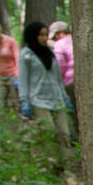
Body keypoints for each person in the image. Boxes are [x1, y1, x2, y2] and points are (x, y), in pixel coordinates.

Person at [18, 21, 73, 169]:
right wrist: (24, 101)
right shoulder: (26, 54)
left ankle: (64, 167)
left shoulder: (51, 53)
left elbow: (58, 78)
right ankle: (48, 165)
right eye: (40, 35)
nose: (44, 38)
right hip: (38, 99)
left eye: (45, 34)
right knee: (48, 132)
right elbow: (23, 79)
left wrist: (65, 98)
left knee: (64, 134)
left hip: (56, 98)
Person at [48, 21, 78, 141]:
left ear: (60, 33)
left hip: (71, 83)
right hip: (88, 80)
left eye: (55, 36)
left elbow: (60, 67)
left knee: (77, 116)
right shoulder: (77, 39)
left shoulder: (59, 45)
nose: (55, 39)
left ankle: (81, 144)